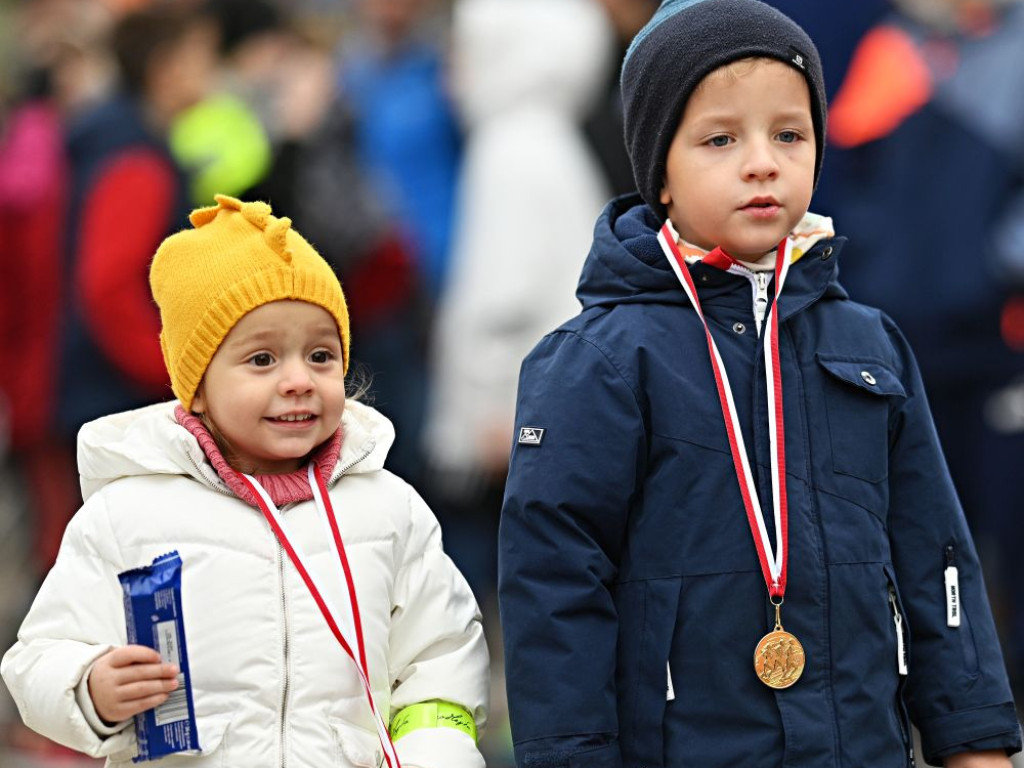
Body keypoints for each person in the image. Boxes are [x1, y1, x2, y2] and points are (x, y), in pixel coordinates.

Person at [497, 1, 1022, 767]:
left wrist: (975, 741)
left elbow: (937, 557)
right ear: (660, 174)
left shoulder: (868, 342)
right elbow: (554, 594)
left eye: (789, 134)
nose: (762, 162)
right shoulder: (597, 361)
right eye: (719, 138)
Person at [1, 195, 489, 767]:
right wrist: (89, 689)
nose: (298, 380)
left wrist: (434, 753)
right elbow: (38, 657)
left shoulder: (389, 510)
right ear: (198, 387)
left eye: (321, 355)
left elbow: (440, 655)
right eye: (262, 359)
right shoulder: (128, 515)